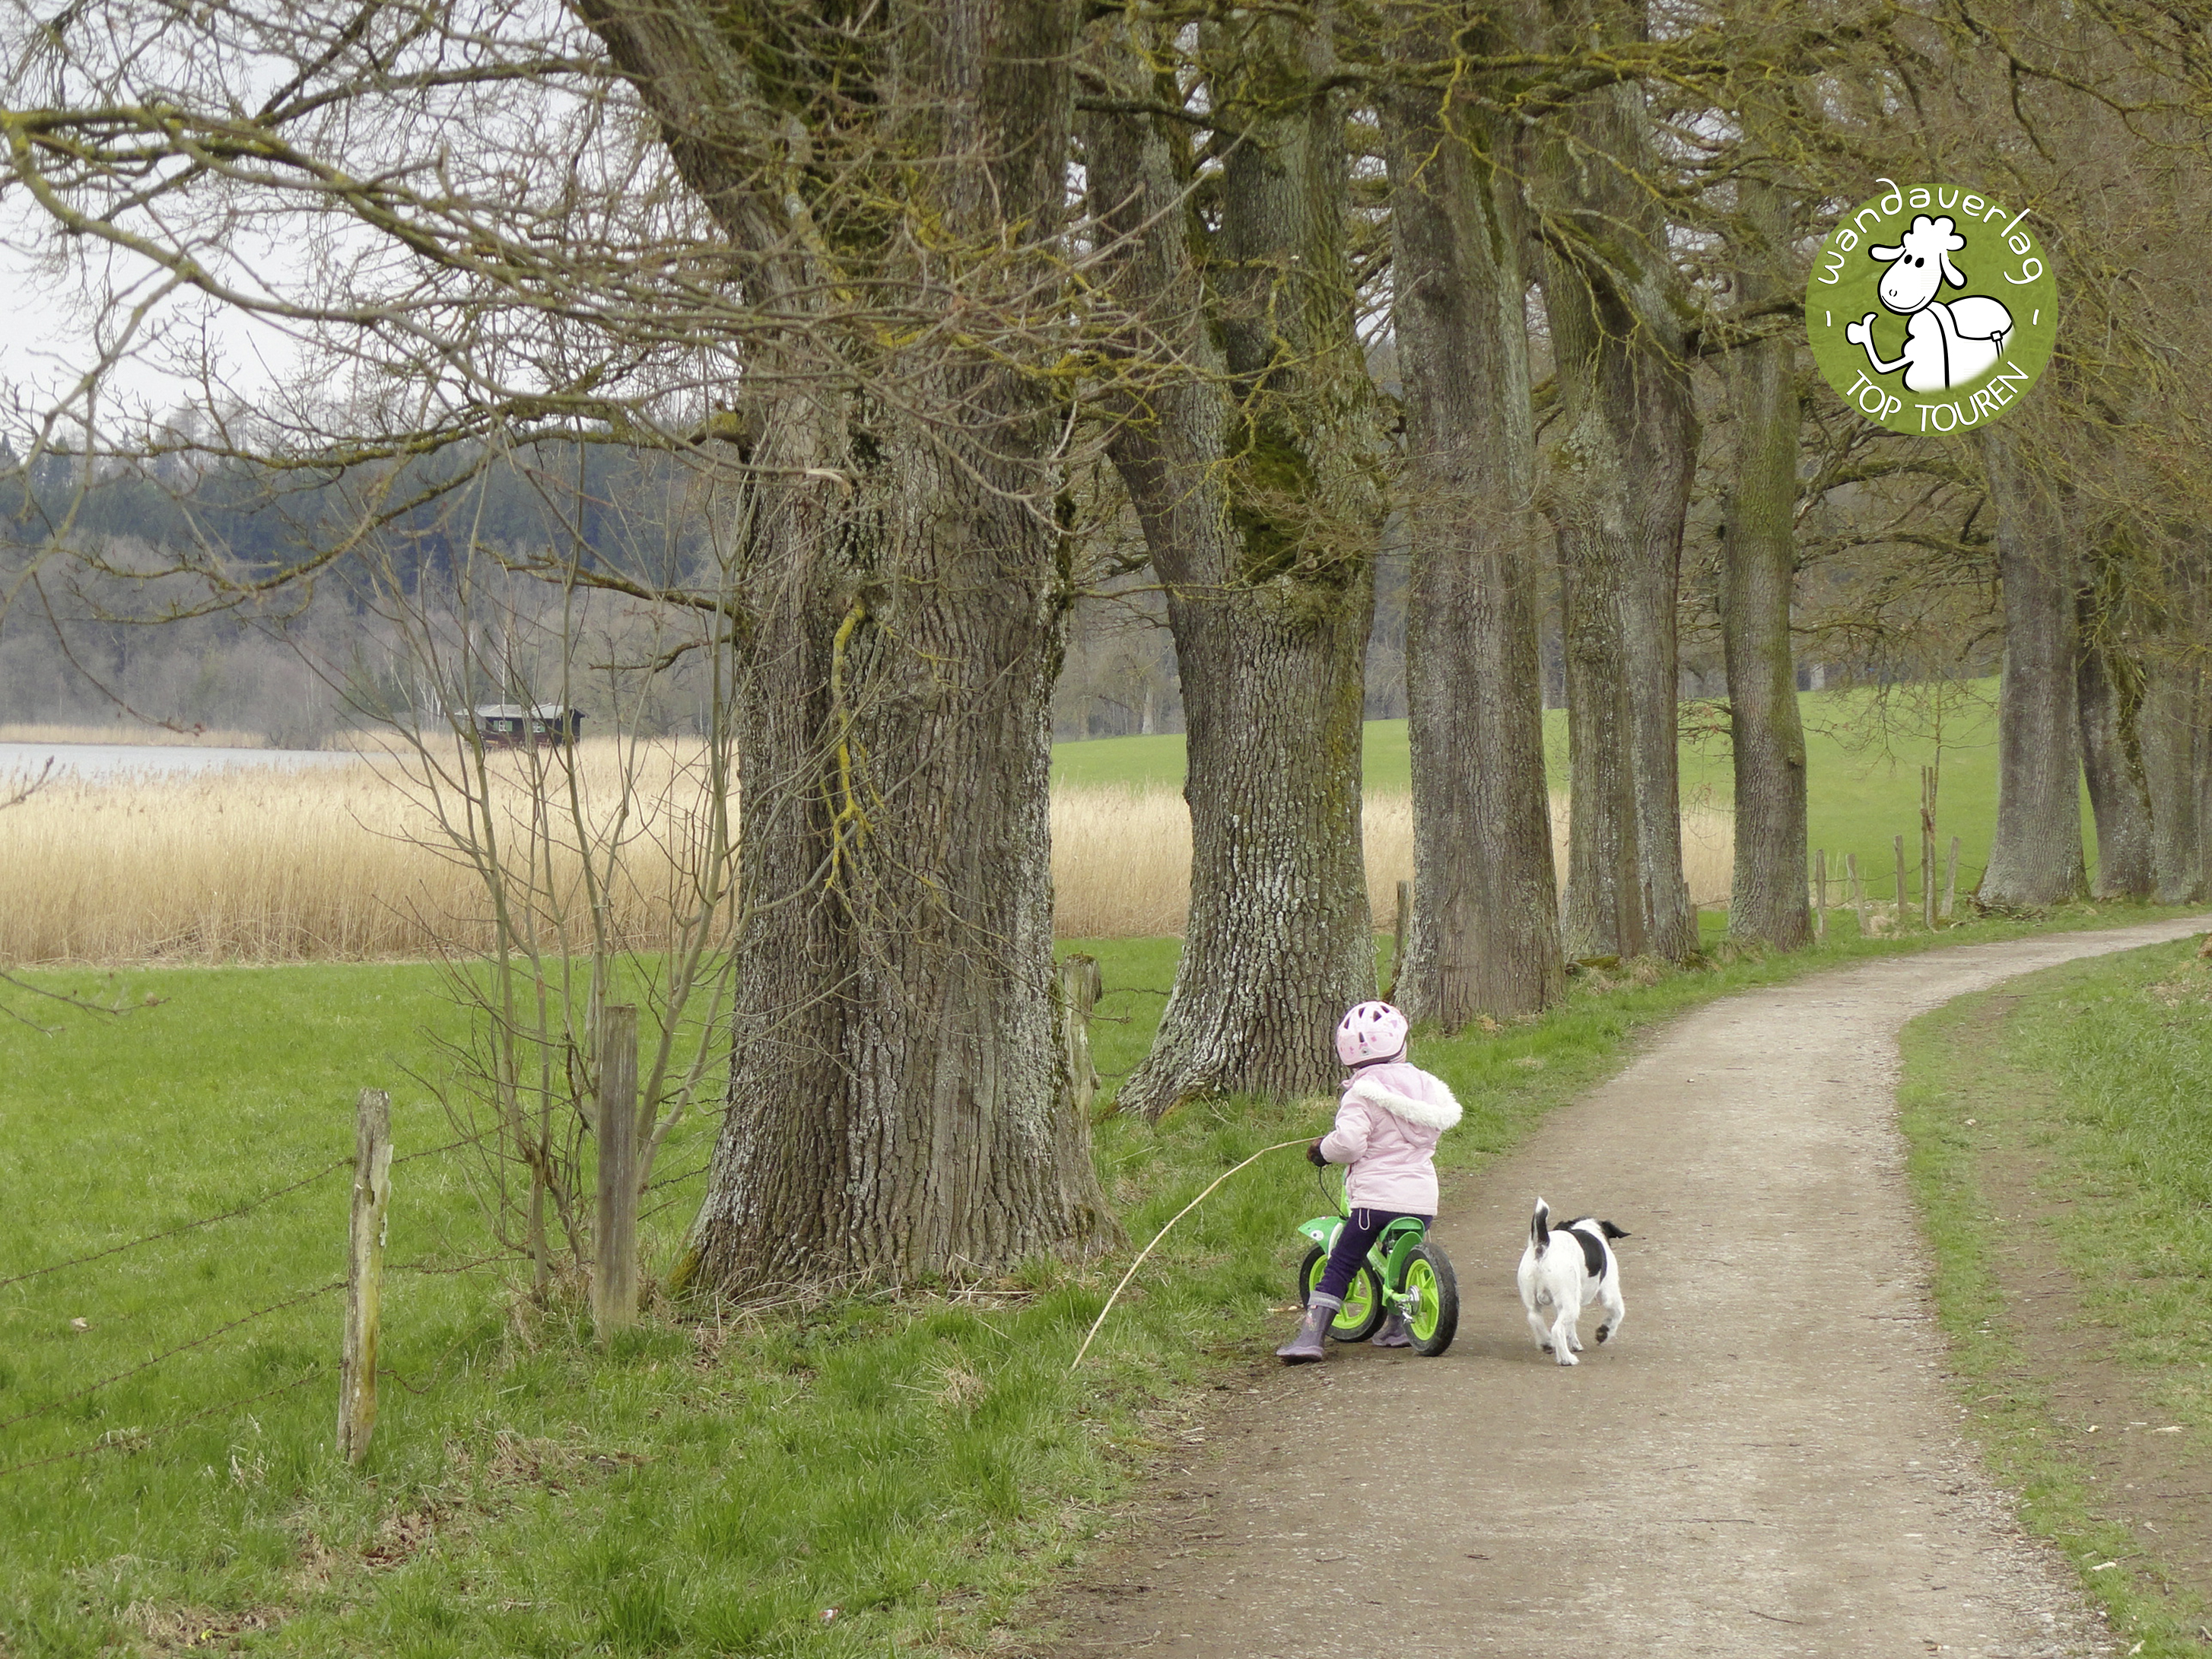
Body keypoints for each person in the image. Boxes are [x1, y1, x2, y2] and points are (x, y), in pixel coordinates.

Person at [1276, 1000, 1462, 1364]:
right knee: (1402, 1254)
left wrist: (1322, 1151)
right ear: (1401, 1044)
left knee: (1343, 1262)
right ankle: (1397, 1326)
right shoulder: (1426, 1088)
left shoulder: (1361, 1094)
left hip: (1373, 1200)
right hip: (1421, 1198)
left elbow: (1348, 1143)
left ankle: (1310, 1336)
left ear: (1348, 1055)